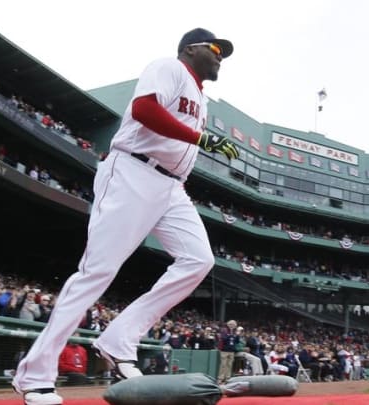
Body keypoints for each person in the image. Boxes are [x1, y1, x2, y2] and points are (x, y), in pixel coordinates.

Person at [12, 27, 238, 405]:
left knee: (199, 260)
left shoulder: (202, 97)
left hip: (172, 187)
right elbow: (143, 109)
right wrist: (199, 138)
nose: (220, 56)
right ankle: (34, 375)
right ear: (192, 48)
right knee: (97, 271)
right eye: (215, 49)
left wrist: (194, 141)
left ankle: (119, 339)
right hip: (132, 171)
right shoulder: (168, 67)